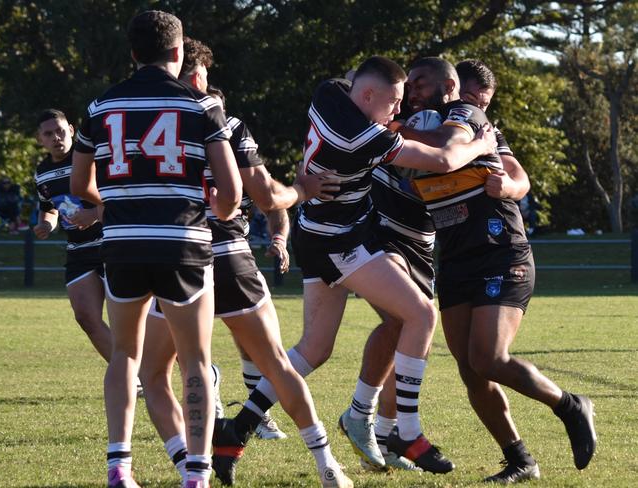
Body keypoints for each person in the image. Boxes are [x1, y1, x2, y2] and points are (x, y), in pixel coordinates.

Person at [213, 55, 497, 480]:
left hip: (315, 233)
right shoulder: (361, 138)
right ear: (367, 95)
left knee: (313, 349)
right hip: (339, 241)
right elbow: (441, 161)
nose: (397, 111)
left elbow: (346, 97)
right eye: (393, 102)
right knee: (420, 313)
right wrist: (481, 144)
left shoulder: (327, 93)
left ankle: (236, 431)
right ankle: (407, 432)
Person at [139, 37, 353, 488]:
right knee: (277, 363)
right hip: (226, 256)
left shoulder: (140, 122)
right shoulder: (223, 121)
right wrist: (303, 191)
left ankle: (187, 468)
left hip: (173, 259)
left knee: (153, 373)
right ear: (196, 76)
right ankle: (326, 464)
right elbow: (268, 195)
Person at [396, 56, 596, 483]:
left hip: (498, 250)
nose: (411, 88)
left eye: (420, 81)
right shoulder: (408, 120)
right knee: (470, 367)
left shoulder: (463, 115)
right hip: (453, 258)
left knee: (488, 358)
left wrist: (507, 184)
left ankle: (571, 405)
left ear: (448, 85)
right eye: (408, 82)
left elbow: (498, 170)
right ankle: (520, 459)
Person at [71, 11, 243, 488]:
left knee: (126, 353)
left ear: (132, 53)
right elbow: (229, 196)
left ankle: (119, 466)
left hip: (123, 244)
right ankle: (197, 473)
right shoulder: (202, 106)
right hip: (183, 243)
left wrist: (120, 203)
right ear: (179, 52)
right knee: (194, 360)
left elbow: (80, 184)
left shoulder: (100, 106)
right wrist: (215, 206)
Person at [345, 57, 534, 474]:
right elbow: (443, 153)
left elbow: (520, 177)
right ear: (451, 86)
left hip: (439, 243)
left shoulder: (475, 122)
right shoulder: (403, 106)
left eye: (479, 103)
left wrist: (507, 186)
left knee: (416, 335)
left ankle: (388, 431)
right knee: (409, 321)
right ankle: (375, 422)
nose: (470, 109)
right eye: (467, 99)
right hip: (385, 230)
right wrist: (470, 146)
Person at [33, 109, 114, 366]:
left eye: (60, 130)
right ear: (39, 140)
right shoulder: (42, 173)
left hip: (111, 244)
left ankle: (194, 369)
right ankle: (132, 377)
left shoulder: (92, 158)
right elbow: (49, 206)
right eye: (48, 134)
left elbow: (117, 197)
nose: (56, 137)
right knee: (86, 317)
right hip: (78, 250)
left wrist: (93, 214)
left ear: (71, 129)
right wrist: (46, 224)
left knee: (134, 323)